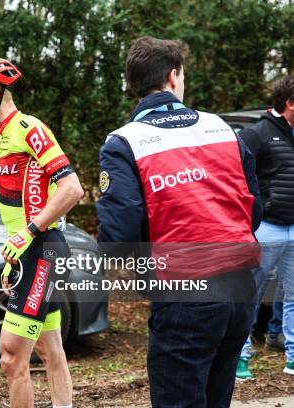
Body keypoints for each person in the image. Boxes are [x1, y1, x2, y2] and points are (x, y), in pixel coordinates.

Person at [96, 37, 262, 408]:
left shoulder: (124, 143)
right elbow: (253, 212)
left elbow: (119, 238)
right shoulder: (221, 129)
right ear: (173, 77)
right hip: (241, 288)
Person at [0, 57, 84, 408]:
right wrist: (16, 257)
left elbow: (72, 189)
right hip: (32, 253)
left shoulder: (30, 130)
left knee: (12, 356)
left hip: (42, 249)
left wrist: (27, 234)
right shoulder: (4, 138)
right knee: (50, 347)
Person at [236, 74, 294, 379]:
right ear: (290, 104)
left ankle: (293, 358)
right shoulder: (256, 134)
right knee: (250, 295)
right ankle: (240, 357)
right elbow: (237, 180)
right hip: (265, 229)